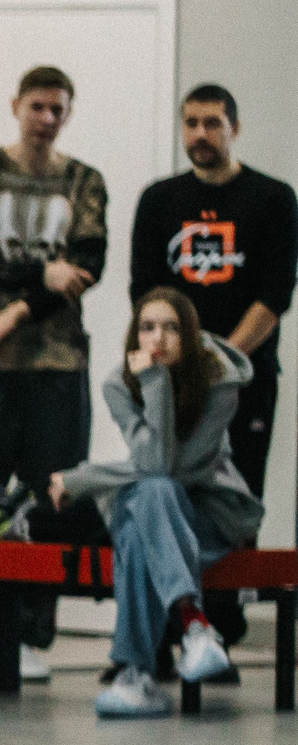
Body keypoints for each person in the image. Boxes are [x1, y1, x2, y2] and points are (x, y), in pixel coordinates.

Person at [0, 64, 109, 687]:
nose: (46, 119)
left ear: (68, 113)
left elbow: (86, 269)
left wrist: (11, 311)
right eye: (37, 106)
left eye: (58, 109)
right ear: (16, 106)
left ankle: (34, 637)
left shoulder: (85, 182)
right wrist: (39, 279)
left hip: (57, 368)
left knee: (47, 500)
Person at [129, 83, 297, 662]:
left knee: (234, 496)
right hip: (172, 377)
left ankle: (221, 627)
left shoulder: (273, 199)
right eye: (191, 123)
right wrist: (178, 359)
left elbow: (275, 295)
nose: (200, 134)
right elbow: (144, 289)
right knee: (169, 486)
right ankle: (177, 626)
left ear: (235, 128)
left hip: (245, 378)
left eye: (213, 123)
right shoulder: (159, 201)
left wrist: (222, 360)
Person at [49, 290, 257, 718]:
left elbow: (176, 469)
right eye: (147, 328)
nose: (157, 338)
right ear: (134, 335)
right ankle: (196, 628)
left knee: (148, 503)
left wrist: (82, 479)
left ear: (190, 334)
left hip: (210, 516)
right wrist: (154, 382)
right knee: (149, 500)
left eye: (170, 327)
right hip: (160, 511)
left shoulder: (220, 381)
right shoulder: (117, 384)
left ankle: (136, 675)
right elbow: (153, 467)